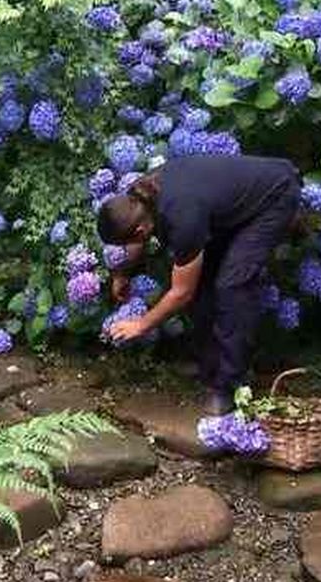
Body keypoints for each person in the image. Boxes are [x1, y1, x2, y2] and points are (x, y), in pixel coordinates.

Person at [97, 154, 301, 412]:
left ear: (139, 231)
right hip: (227, 202)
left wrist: (141, 324)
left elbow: (182, 293)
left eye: (125, 243)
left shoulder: (182, 218)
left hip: (275, 196)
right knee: (205, 280)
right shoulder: (140, 195)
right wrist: (122, 272)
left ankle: (229, 386)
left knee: (233, 285)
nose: (129, 247)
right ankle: (210, 367)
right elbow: (139, 241)